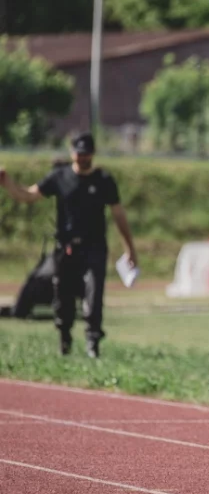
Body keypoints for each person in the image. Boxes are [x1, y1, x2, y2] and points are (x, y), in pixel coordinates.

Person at [0, 132, 138, 357]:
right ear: (73, 153)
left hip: (94, 246)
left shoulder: (104, 180)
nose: (83, 158)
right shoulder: (59, 177)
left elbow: (119, 215)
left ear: (93, 154)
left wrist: (129, 248)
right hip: (66, 248)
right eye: (79, 154)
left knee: (94, 293)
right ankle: (64, 338)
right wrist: (7, 184)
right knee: (63, 296)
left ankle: (93, 342)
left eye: (87, 154)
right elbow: (28, 195)